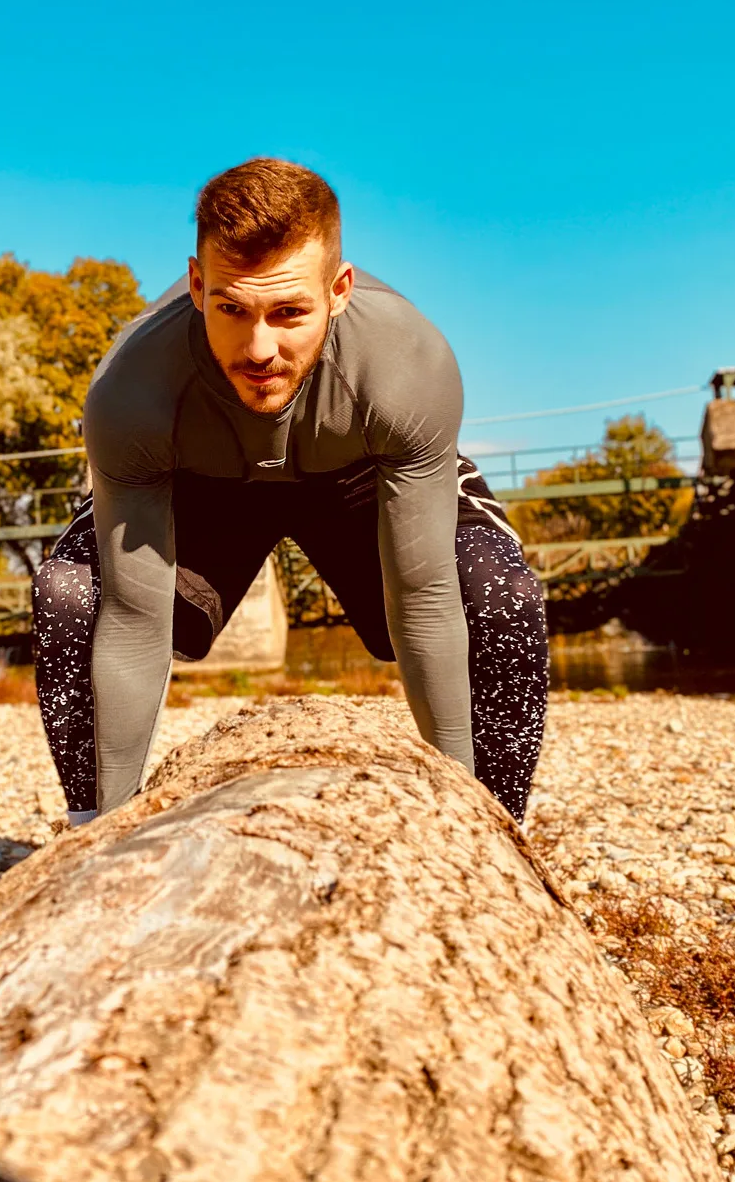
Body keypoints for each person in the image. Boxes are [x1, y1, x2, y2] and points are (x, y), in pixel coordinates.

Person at [33, 158, 548, 825]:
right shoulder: (131, 391)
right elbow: (133, 619)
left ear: (340, 290)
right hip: (201, 484)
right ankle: (87, 829)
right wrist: (109, 835)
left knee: (498, 592)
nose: (259, 348)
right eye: (231, 309)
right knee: (70, 596)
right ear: (196, 284)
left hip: (359, 476)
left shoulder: (407, 365)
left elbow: (426, 597)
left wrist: (462, 817)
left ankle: (499, 826)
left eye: (289, 312)